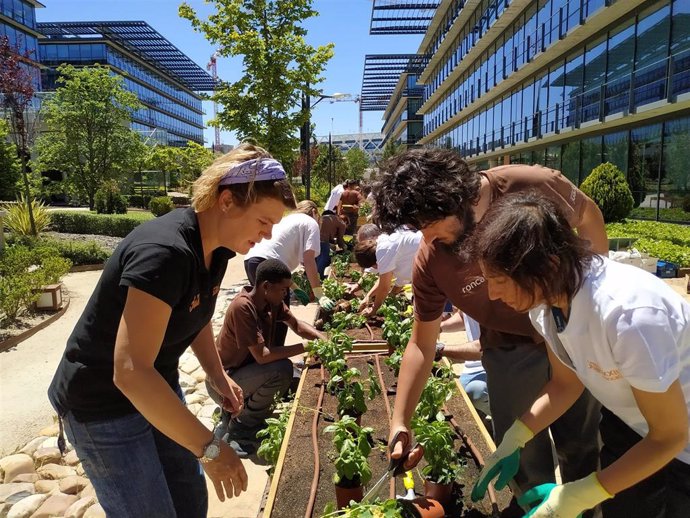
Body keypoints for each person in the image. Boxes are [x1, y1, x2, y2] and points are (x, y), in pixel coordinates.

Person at [47, 144, 296, 518]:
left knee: (189, 501)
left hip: (156, 385)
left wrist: (217, 375)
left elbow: (192, 315)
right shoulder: (164, 251)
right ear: (227, 201)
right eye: (264, 221)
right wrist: (210, 448)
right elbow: (130, 371)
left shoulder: (217, 250)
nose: (266, 235)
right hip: (102, 404)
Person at [373, 148, 606, 500]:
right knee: (523, 456)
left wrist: (591, 297)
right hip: (510, 348)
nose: (426, 239)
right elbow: (421, 344)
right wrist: (400, 421)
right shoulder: (432, 259)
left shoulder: (530, 185)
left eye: (427, 225)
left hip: (570, 331)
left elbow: (588, 214)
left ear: (449, 199)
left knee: (582, 442)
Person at [472, 191, 690, 518]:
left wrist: (579, 495)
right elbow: (565, 384)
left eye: (500, 280)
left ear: (548, 264)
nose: (492, 294)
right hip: (634, 424)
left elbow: (670, 436)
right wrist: (515, 437)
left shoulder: (627, 316)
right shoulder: (546, 307)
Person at [208, 259, 326, 456]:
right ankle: (241, 428)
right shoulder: (243, 308)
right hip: (225, 381)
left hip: (245, 374)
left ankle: (232, 413)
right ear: (266, 286)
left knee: (294, 383)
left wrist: (323, 339)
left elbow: (296, 325)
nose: (286, 294)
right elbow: (262, 357)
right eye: (283, 289)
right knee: (282, 371)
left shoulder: (271, 302)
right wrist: (304, 346)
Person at [245, 200, 334, 347]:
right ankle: (275, 358)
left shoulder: (288, 221)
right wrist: (319, 293)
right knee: (280, 315)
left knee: (265, 312)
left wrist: (294, 288)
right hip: (270, 265)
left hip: (252, 262)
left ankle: (264, 355)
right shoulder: (310, 222)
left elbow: (279, 254)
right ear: (314, 213)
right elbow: (309, 259)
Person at [353, 227, 422, 316]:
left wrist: (373, 310)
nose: (376, 268)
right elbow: (388, 281)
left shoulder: (383, 251)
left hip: (435, 253)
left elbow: (384, 287)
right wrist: (368, 297)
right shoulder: (383, 243)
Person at [438, 310, 490, 420]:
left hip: (495, 367)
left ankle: (514, 424)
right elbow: (464, 316)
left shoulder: (497, 297)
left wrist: (441, 350)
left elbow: (485, 348)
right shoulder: (469, 295)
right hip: (472, 367)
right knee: (457, 400)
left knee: (476, 392)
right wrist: (440, 327)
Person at [317, 208, 347, 278]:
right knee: (324, 259)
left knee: (316, 258)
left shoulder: (321, 218)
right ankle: (319, 278)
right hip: (323, 241)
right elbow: (340, 241)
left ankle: (311, 276)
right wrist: (345, 248)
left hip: (314, 240)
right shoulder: (341, 223)